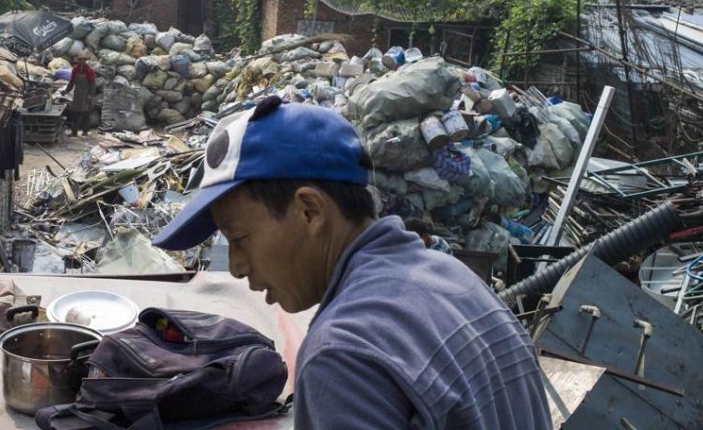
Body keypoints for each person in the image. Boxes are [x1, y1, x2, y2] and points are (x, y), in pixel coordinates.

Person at [153, 98, 552, 429]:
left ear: (310, 210)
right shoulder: (455, 278)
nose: (236, 267)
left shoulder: (342, 352)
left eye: (239, 239)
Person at [64, 49, 96, 136]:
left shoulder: (89, 70)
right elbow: (72, 82)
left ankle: (85, 131)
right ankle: (74, 131)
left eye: (83, 60)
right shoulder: (75, 69)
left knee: (85, 113)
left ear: (85, 60)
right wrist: (66, 91)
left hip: (86, 94)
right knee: (75, 113)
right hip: (77, 94)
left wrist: (90, 95)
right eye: (80, 60)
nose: (81, 61)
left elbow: (92, 83)